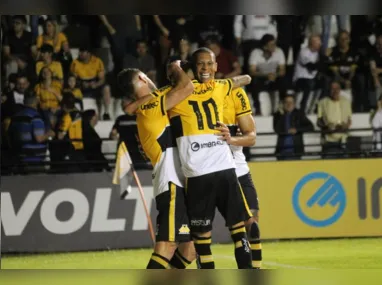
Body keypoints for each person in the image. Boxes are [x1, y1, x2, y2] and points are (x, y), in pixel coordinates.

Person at [168, 48, 254, 269]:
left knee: (202, 242)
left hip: (199, 175)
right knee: (239, 233)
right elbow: (246, 78)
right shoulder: (220, 88)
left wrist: (175, 70)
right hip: (225, 170)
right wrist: (233, 79)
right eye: (201, 64)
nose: (205, 68)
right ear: (195, 68)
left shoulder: (176, 96)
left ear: (215, 66)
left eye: (209, 64)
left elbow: (149, 104)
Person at [117, 62, 196, 270]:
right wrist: (176, 67)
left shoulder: (151, 103)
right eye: (147, 75)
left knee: (192, 248)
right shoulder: (150, 106)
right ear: (142, 79)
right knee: (168, 245)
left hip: (182, 179)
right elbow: (188, 87)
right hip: (171, 181)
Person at [221, 86, 262, 269]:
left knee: (253, 224)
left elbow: (251, 138)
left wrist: (232, 139)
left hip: (241, 171)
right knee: (235, 230)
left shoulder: (238, 114)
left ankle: (256, 268)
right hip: (217, 174)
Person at [273, 94, 314, 160]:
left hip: (296, 151)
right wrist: (282, 114)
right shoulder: (278, 115)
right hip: (281, 152)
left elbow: (311, 127)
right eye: (286, 102)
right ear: (283, 104)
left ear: (294, 104)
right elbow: (277, 129)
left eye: (291, 102)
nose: (289, 104)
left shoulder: (299, 114)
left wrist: (297, 130)